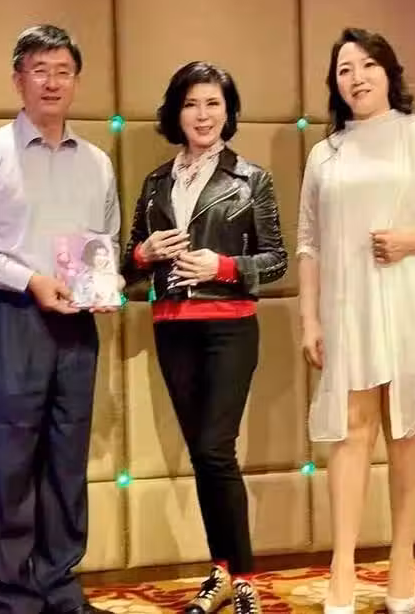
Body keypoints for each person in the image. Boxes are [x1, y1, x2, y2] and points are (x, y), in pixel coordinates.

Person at [0, 24, 120, 614]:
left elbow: (106, 240)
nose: (51, 82)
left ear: (76, 81)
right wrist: (30, 280)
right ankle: (12, 597)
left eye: (63, 71)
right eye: (39, 70)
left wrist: (106, 282)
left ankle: (60, 588)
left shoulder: (97, 162)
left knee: (66, 462)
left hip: (76, 325)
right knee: (9, 463)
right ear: (18, 80)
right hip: (9, 319)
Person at [296, 28, 415, 614]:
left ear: (389, 72)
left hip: (411, 300)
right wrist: (309, 318)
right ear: (335, 84)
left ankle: (403, 560)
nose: (357, 77)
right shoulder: (326, 153)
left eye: (368, 65)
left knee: (405, 429)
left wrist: (411, 240)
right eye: (345, 69)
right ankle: (343, 568)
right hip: (348, 305)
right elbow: (308, 243)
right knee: (352, 430)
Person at [122, 61, 287, 614]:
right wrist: (144, 253)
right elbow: (127, 268)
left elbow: (277, 260)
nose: (202, 114)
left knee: (216, 449)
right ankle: (222, 572)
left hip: (229, 326)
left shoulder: (251, 179)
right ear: (176, 112)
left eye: (213, 103)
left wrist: (223, 266)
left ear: (228, 111)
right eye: (192, 103)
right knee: (203, 455)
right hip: (172, 326)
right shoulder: (155, 183)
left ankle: (244, 579)